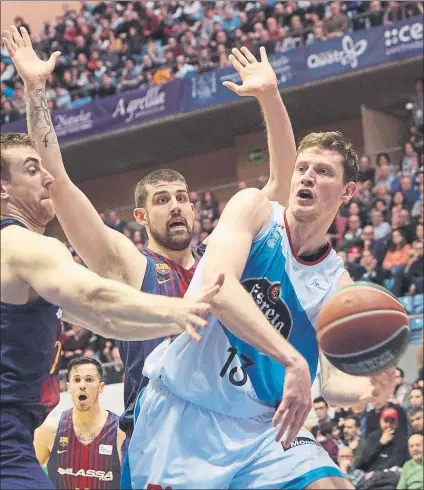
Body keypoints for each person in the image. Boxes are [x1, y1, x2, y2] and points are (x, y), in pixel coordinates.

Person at [3, 25, 296, 463]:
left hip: (236, 425)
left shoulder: (223, 254)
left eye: (182, 198)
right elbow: (57, 181)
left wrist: (271, 98)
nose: (176, 207)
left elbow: (281, 187)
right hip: (162, 435)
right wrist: (35, 91)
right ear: (140, 217)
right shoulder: (127, 262)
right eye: (162, 201)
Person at [125, 47, 396, 489]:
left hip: (263, 429)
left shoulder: (338, 283)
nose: (306, 176)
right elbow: (219, 287)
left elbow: (332, 379)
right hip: (185, 410)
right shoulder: (253, 211)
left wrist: (368, 391)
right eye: (302, 168)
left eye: (322, 172)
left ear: (347, 192)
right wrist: (291, 360)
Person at [0, 129, 220, 490]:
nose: (47, 177)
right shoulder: (25, 245)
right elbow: (97, 300)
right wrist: (182, 312)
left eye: (182, 197)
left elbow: (107, 321)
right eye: (32, 169)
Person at [34, 357, 124, 489]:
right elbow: (26, 475)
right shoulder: (49, 430)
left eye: (89, 379)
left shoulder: (120, 431)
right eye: (76, 380)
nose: (82, 385)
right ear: (69, 387)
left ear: (101, 387)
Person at [354, 407, 409, 473]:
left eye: (392, 421)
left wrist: (377, 472)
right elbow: (365, 459)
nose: (389, 425)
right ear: (381, 421)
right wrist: (380, 443)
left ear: (396, 423)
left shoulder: (402, 439)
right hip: (369, 475)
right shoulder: (373, 437)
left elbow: (397, 461)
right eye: (386, 421)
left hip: (390, 475)